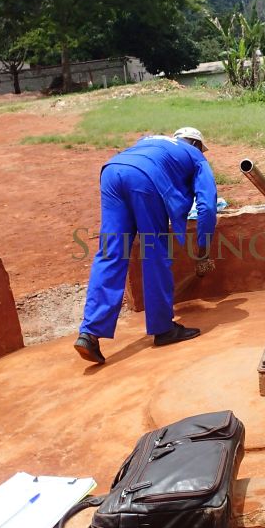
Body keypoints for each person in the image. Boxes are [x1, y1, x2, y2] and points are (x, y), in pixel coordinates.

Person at [74, 127, 218, 364]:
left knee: (110, 252)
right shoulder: (195, 155)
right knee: (154, 253)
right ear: (196, 144)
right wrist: (203, 249)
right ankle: (163, 329)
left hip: (112, 171)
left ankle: (89, 333)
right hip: (145, 179)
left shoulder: (151, 141)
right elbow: (208, 206)